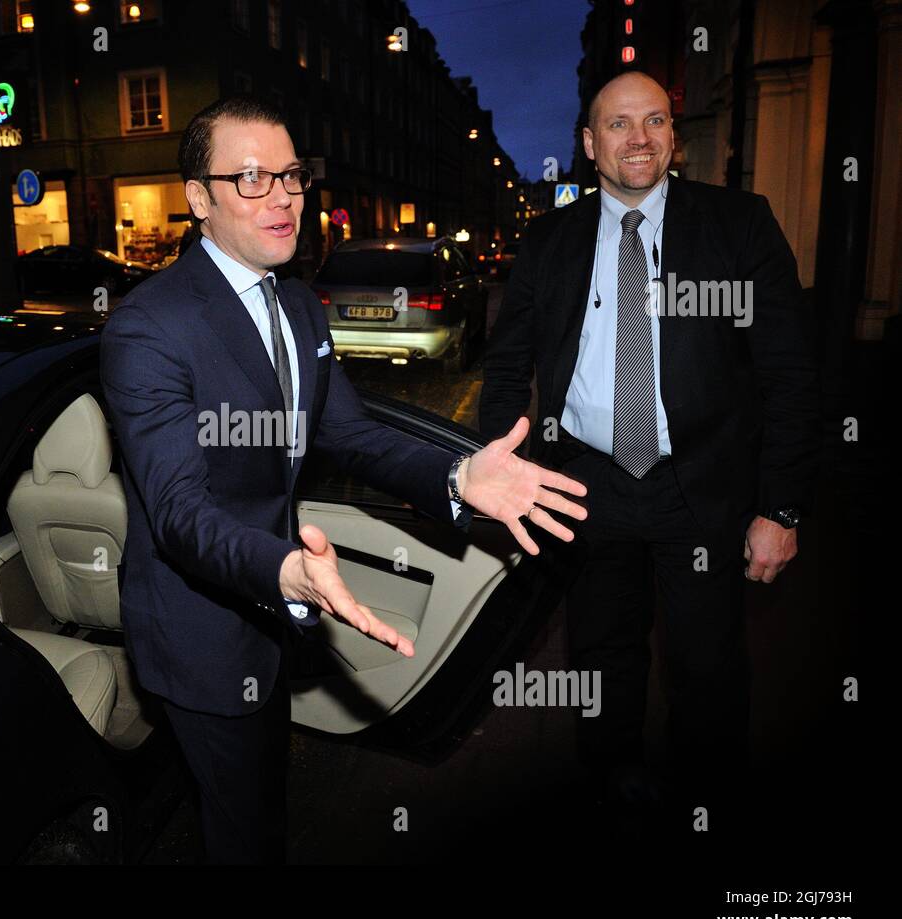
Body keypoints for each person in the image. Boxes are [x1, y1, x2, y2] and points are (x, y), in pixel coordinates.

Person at [100, 96, 588, 863]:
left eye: (292, 176)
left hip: (269, 612)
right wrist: (288, 567)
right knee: (246, 828)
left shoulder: (296, 301)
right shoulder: (148, 326)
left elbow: (350, 434)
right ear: (198, 198)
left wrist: (458, 475)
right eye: (253, 178)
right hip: (200, 629)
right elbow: (178, 512)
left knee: (264, 800)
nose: (285, 197)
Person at [479, 72, 819, 829]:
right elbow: (507, 369)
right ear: (589, 143)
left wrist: (780, 505)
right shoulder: (549, 242)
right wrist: (500, 471)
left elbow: (790, 376)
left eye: (655, 120)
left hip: (701, 485)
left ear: (673, 135)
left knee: (708, 664)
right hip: (586, 487)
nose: (639, 137)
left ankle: (708, 800)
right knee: (602, 653)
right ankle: (613, 780)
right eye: (619, 123)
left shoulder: (740, 225)